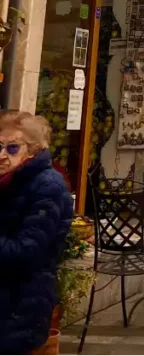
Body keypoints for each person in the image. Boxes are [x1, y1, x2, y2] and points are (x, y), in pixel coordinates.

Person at [0, 111, 74, 356]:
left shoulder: (48, 186)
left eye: (12, 148)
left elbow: (27, 252)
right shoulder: (7, 181)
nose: (1, 155)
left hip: (19, 306)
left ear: (32, 151)